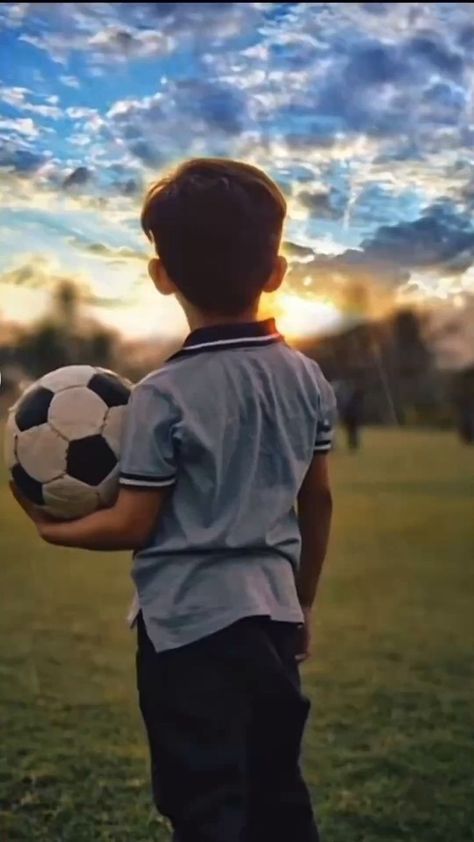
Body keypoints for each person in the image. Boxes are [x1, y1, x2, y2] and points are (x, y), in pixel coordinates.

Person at [11, 158, 336, 842]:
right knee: (279, 795)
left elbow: (134, 519)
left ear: (162, 276)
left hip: (188, 634)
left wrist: (55, 530)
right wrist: (302, 603)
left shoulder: (162, 393)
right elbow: (319, 500)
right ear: (276, 271)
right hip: (273, 618)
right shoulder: (308, 377)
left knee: (205, 805)